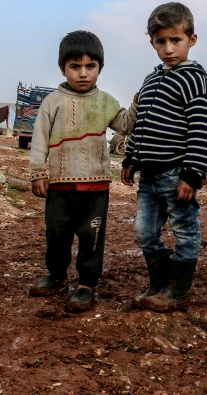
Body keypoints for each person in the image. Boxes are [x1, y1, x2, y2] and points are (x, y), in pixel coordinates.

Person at [28, 30, 135, 312]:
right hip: (60, 186)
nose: (83, 73)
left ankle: (87, 283)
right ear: (63, 68)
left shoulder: (107, 102)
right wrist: (38, 172)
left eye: (91, 66)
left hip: (96, 187)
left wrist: (138, 102)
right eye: (75, 67)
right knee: (56, 234)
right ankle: (57, 276)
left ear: (100, 67)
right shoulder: (52, 102)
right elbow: (39, 138)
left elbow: (125, 125)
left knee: (92, 236)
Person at [121, 2, 207, 312]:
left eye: (176, 40)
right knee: (144, 232)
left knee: (185, 230)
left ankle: (178, 289)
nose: (169, 48)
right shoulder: (150, 81)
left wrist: (192, 174)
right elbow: (141, 123)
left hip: (177, 173)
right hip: (149, 175)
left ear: (192, 40)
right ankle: (159, 283)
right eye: (161, 42)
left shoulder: (194, 79)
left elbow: (201, 129)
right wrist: (130, 158)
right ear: (152, 43)